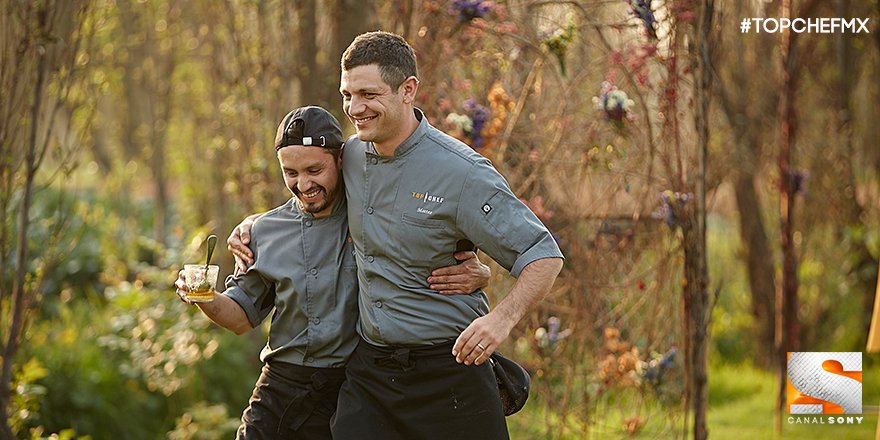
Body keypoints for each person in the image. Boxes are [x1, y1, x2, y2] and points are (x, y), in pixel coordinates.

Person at [231, 31, 564, 439]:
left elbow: (542, 254)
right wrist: (252, 225)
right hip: (372, 374)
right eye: (347, 94)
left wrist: (500, 319)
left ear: (408, 90)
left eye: (368, 94)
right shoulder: (348, 156)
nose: (355, 108)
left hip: (451, 370)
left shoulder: (462, 173)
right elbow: (306, 202)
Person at [175, 106, 490, 440]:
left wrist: (478, 272)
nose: (303, 184)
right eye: (290, 173)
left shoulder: (373, 218)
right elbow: (241, 318)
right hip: (282, 388)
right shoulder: (265, 231)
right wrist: (206, 298)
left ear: (340, 159)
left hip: (353, 390)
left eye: (314, 169)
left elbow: (422, 253)